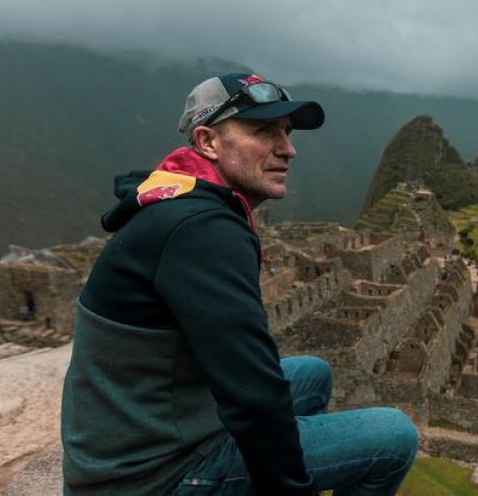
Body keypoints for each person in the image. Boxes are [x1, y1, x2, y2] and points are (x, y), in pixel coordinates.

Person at [61, 73, 418, 495]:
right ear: (208, 141)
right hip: (149, 476)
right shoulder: (203, 231)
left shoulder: (178, 200)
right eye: (264, 131)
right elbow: (252, 390)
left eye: (286, 132)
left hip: (146, 426)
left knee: (313, 374)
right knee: (394, 437)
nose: (288, 149)